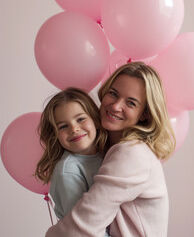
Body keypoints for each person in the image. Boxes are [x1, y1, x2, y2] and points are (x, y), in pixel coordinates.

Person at [45, 62, 176, 237]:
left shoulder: (132, 153)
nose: (115, 106)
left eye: (130, 103)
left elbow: (81, 228)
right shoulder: (102, 150)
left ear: (144, 113)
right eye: (113, 94)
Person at [34, 88, 109, 235]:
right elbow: (83, 229)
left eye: (80, 119)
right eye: (63, 126)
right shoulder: (68, 171)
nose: (74, 129)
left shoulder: (109, 153)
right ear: (55, 135)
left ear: (95, 119)